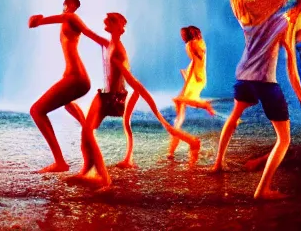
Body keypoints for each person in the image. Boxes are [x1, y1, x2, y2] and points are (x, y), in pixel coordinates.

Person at [65, 13, 201, 189]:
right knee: (88, 131)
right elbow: (89, 33)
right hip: (110, 95)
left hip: (111, 98)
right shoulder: (110, 44)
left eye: (111, 20)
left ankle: (103, 179)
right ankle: (89, 169)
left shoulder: (117, 51)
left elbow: (130, 80)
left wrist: (151, 104)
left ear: (118, 27)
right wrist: (70, 19)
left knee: (88, 131)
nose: (105, 20)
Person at [210, 0, 301, 200]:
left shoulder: (246, 20)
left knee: (234, 117)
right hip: (265, 83)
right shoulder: (283, 24)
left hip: (243, 78)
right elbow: (292, 70)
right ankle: (262, 190)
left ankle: (218, 163)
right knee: (284, 140)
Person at [27, 0, 107, 173]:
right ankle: (88, 134)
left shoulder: (70, 17)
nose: (63, 7)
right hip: (74, 76)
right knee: (66, 105)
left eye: (65, 4)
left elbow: (92, 35)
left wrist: (38, 20)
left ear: (70, 6)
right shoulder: (70, 20)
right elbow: (94, 37)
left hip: (76, 77)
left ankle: (60, 162)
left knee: (36, 111)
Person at [168, 26, 214, 159]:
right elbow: (199, 62)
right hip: (200, 76)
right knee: (179, 111)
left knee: (180, 103)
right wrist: (186, 74)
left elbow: (194, 63)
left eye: (182, 34)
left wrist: (186, 83)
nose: (182, 37)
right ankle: (171, 151)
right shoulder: (201, 43)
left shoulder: (190, 44)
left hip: (195, 77)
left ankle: (205, 105)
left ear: (188, 34)